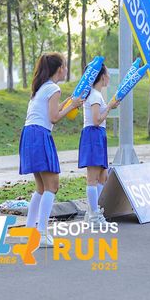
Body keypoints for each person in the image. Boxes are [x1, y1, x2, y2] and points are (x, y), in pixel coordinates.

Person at [20, 53, 82, 248]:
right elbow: (53, 117)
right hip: (40, 135)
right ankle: (41, 234)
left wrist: (68, 103)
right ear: (59, 69)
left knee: (41, 187)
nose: (66, 69)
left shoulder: (42, 87)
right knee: (52, 186)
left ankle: (29, 232)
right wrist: (72, 105)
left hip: (30, 134)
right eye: (65, 66)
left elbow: (50, 111)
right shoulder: (54, 88)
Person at [78, 64, 119, 226]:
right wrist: (109, 107)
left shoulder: (96, 95)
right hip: (93, 135)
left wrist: (108, 106)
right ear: (102, 76)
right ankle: (94, 216)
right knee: (93, 178)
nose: (109, 77)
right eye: (107, 74)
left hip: (98, 135)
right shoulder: (94, 95)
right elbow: (96, 120)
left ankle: (93, 211)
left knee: (103, 176)